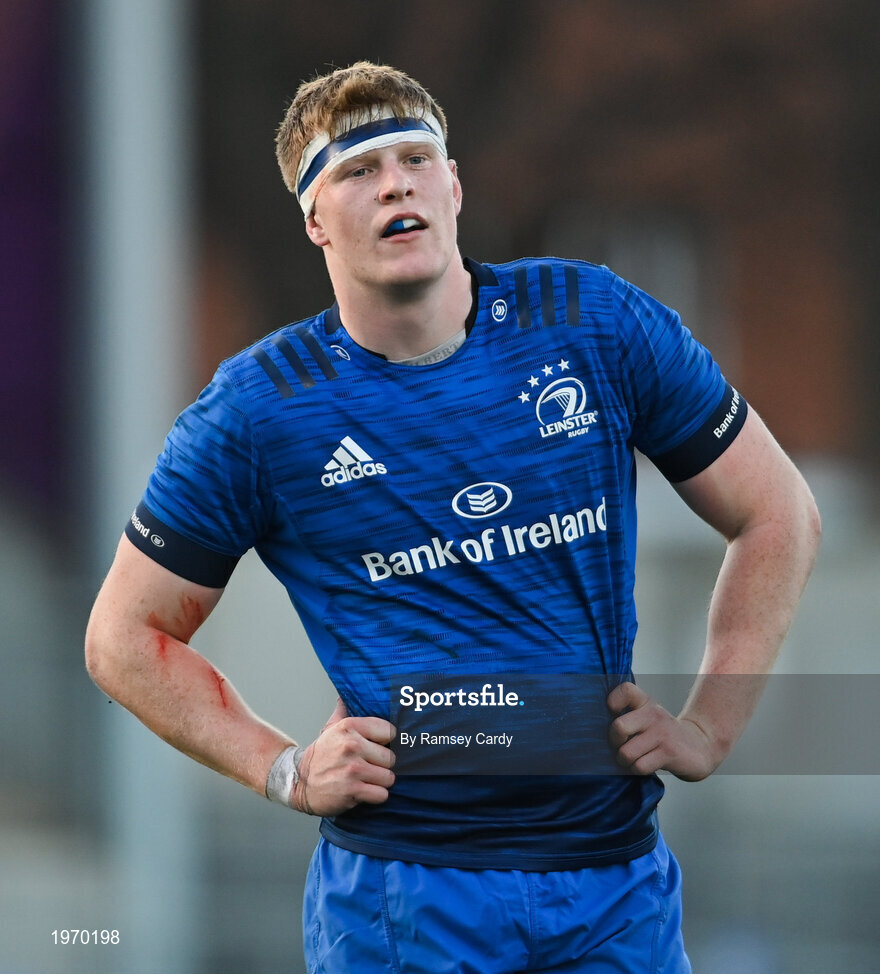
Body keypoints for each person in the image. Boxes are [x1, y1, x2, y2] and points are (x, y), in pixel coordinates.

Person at [85, 61, 821, 973]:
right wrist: (283, 768)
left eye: (415, 159)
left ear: (454, 186)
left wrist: (710, 725)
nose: (394, 183)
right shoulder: (258, 411)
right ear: (315, 220)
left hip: (613, 887)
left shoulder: (591, 323)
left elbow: (780, 511)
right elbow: (123, 638)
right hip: (405, 899)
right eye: (357, 171)